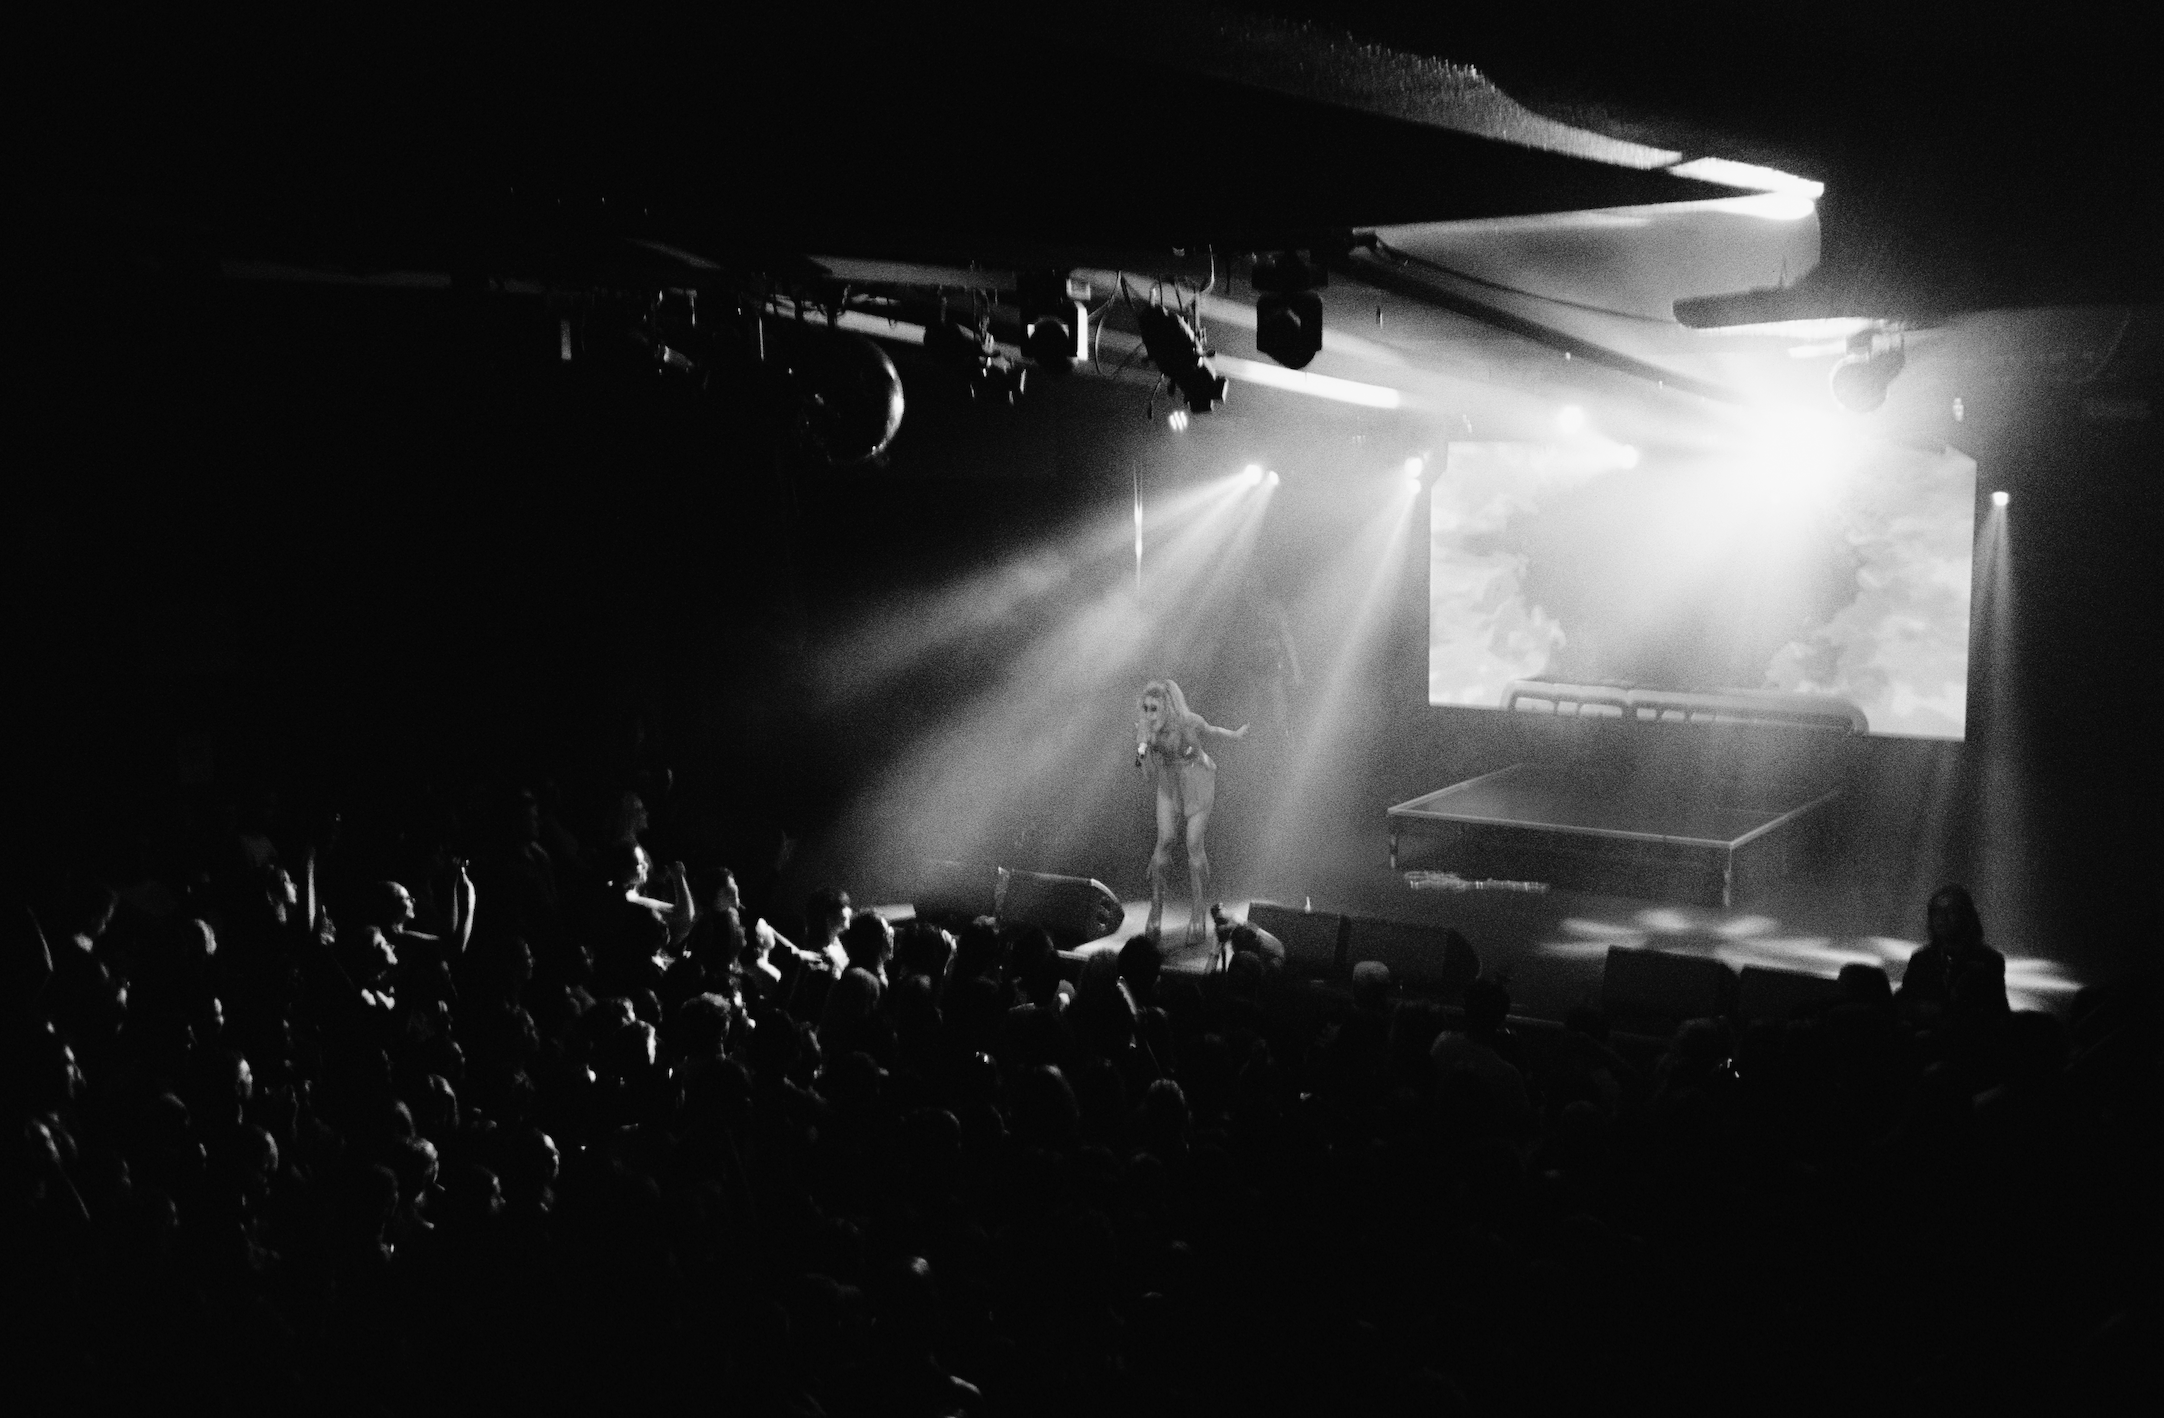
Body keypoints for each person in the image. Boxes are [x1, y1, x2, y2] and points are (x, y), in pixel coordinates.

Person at [1133, 679, 1246, 945]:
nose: (1149, 715)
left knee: (1194, 843)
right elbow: (1147, 774)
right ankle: (1156, 907)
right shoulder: (1146, 732)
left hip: (1197, 778)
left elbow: (1212, 731)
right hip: (1169, 782)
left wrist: (1235, 735)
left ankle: (1198, 908)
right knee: (1165, 840)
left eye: (1154, 709)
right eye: (1146, 708)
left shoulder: (1188, 722)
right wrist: (1142, 751)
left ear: (1168, 708)